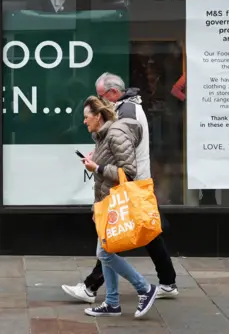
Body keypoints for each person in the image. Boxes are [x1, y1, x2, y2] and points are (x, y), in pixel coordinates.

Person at [62, 72, 179, 304]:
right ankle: (167, 281)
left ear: (113, 93)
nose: (99, 102)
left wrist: (98, 165)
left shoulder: (125, 113)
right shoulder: (127, 108)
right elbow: (116, 146)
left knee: (109, 241)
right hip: (135, 182)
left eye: (101, 96)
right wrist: (98, 154)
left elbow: (122, 150)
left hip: (129, 183)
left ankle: (93, 287)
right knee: (148, 234)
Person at [80, 95, 158, 318]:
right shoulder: (101, 135)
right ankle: (112, 302)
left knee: (104, 253)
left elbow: (128, 173)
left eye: (87, 117)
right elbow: (107, 167)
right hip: (105, 203)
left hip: (115, 203)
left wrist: (97, 167)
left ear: (98, 116)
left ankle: (144, 288)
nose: (84, 122)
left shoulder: (115, 134)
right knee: (108, 250)